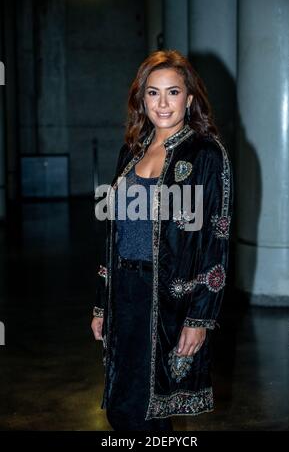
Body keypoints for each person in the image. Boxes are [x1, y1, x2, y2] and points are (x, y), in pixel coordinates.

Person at [91, 50, 233, 431]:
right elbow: (113, 233)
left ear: (189, 98)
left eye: (173, 92)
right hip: (125, 293)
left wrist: (200, 318)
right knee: (120, 405)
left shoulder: (206, 154)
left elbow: (215, 241)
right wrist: (102, 304)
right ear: (142, 99)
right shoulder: (131, 150)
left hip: (169, 298)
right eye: (153, 93)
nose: (163, 103)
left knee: (152, 411)